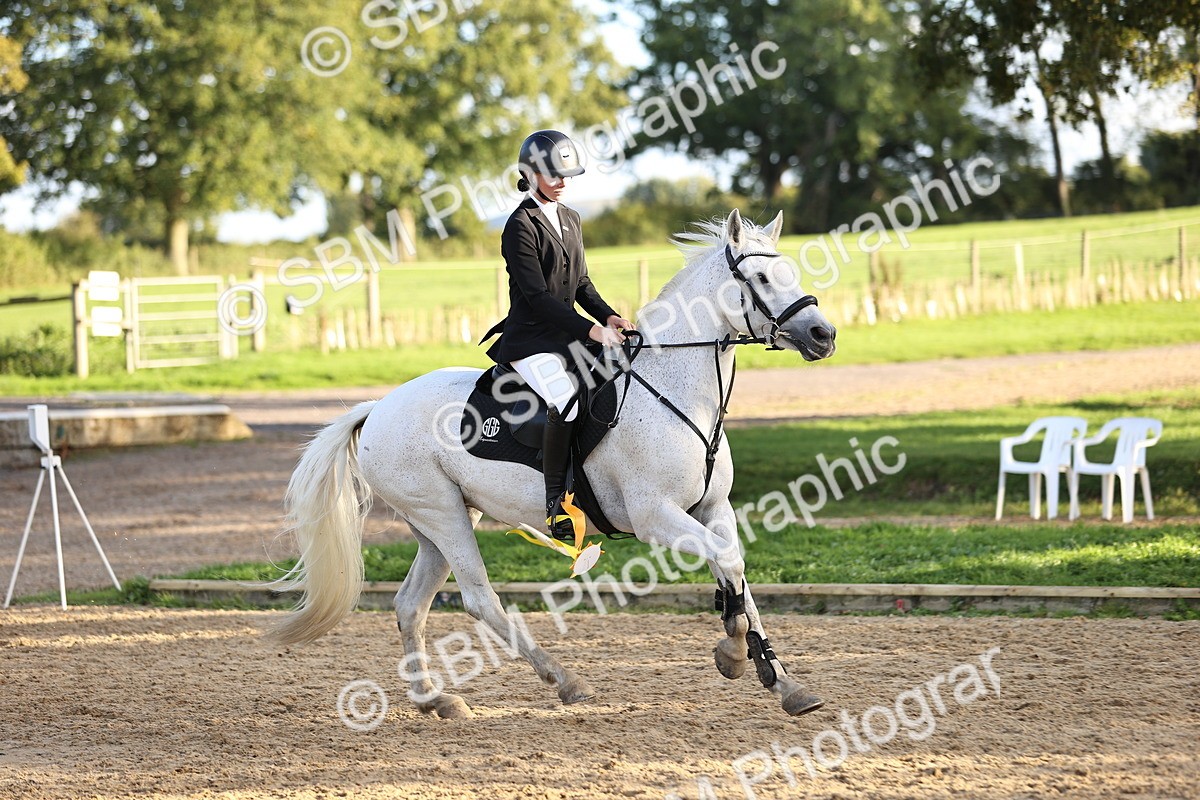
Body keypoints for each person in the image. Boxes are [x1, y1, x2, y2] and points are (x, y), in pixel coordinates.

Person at [483, 130, 633, 541]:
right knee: (565, 399)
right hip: (531, 339)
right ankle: (557, 504)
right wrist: (591, 330)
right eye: (554, 174)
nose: (564, 181)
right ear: (529, 173)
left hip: (567, 335)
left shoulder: (571, 218)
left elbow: (581, 282)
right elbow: (537, 297)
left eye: (568, 174)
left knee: (618, 378)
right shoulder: (519, 226)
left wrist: (610, 316)